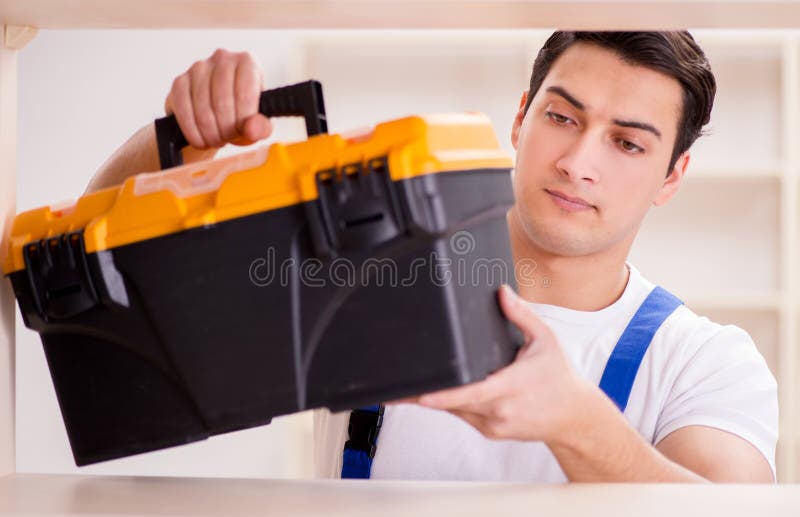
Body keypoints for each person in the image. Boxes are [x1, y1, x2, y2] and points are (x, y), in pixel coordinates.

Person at [86, 30, 778, 483]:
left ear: (672, 176)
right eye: (562, 116)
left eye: (627, 142)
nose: (576, 161)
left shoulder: (706, 362)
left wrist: (575, 420)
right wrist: (178, 140)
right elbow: (105, 286)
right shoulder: (373, 280)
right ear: (519, 117)